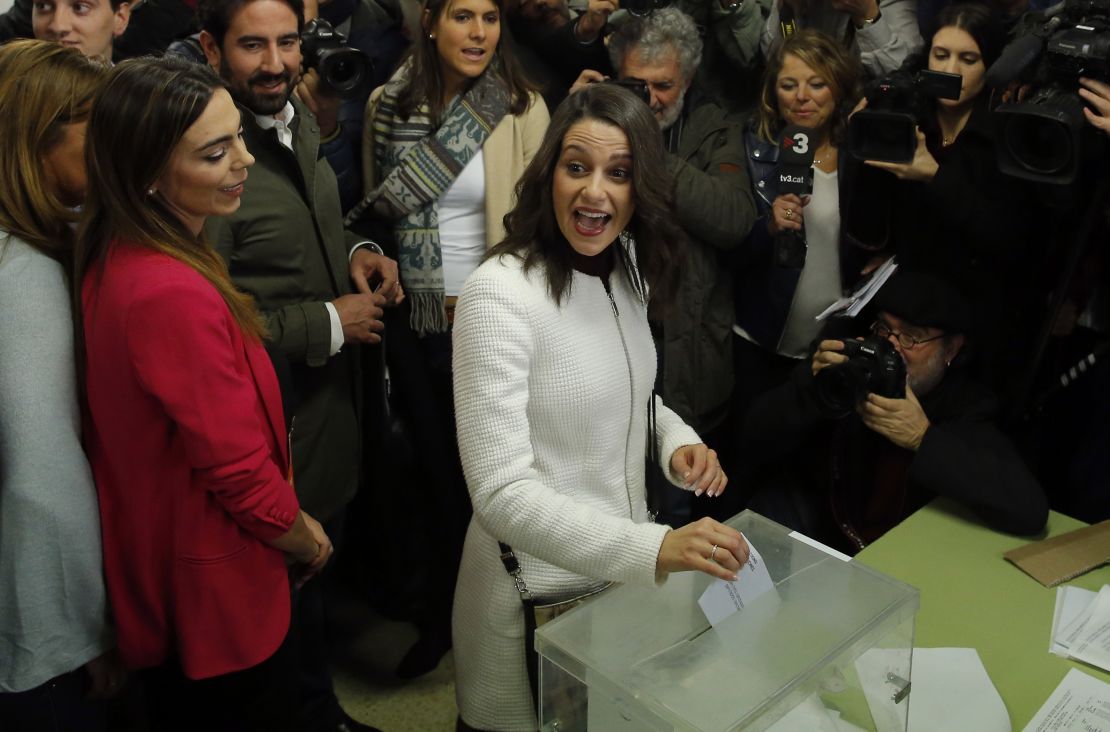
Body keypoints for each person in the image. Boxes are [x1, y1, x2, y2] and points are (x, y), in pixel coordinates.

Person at [451, 82, 750, 732]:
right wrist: (656, 547)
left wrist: (674, 442)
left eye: (619, 173)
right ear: (548, 172)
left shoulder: (627, 266)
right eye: (576, 167)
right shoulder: (498, 297)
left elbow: (634, 393)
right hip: (531, 605)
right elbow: (500, 493)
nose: (595, 194)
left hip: (611, 591)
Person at [74, 56, 332, 730]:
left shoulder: (129, 251)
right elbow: (237, 468)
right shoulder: (167, 291)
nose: (244, 160)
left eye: (239, 137)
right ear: (149, 176)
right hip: (215, 592)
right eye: (216, 154)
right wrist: (301, 536)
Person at [196, 0, 398, 728]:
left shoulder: (297, 121)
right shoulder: (207, 156)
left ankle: (320, 709)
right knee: (276, 616)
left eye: (287, 43)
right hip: (267, 440)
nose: (276, 63)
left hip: (324, 418)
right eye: (253, 45)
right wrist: (324, 323)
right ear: (210, 49)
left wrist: (354, 252)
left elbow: (312, 224)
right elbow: (201, 321)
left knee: (310, 598)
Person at [349, 0, 549, 679]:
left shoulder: (522, 106)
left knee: (498, 482)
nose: (479, 32)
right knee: (436, 485)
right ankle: (447, 619)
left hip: (494, 323)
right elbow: (376, 211)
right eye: (463, 15)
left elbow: (540, 227)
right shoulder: (386, 103)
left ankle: (512, 621)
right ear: (430, 21)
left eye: (490, 17)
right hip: (419, 326)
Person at [572, 7, 758, 523]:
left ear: (688, 79)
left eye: (663, 85)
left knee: (683, 522)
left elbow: (734, 218)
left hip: (688, 358)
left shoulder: (713, 126)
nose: (650, 99)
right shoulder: (589, 125)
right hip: (603, 350)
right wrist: (572, 126)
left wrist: (649, 152)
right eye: (636, 86)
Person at [741, 270, 1048, 554]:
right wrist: (813, 391)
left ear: (951, 350)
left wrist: (923, 439)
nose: (892, 347)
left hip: (903, 551)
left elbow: (1029, 510)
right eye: (884, 329)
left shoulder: (962, 405)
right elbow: (750, 438)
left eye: (911, 337)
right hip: (819, 524)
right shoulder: (850, 369)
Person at [0, 39, 118, 729]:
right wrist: (80, 634)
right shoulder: (23, 274)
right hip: (39, 645)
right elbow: (40, 480)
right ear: (35, 140)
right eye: (94, 131)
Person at [847, 1, 1045, 399]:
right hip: (907, 313)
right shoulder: (911, 119)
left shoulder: (1009, 134)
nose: (951, 70)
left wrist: (935, 177)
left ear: (990, 66)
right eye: (941, 55)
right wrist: (864, 141)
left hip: (975, 323)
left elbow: (1012, 240)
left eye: (967, 58)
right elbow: (868, 225)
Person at [724, 30, 869, 514]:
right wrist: (768, 227)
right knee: (746, 477)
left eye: (816, 84)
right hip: (759, 348)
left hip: (826, 349)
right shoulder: (752, 152)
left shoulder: (861, 157)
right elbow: (728, 252)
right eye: (789, 85)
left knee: (809, 486)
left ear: (838, 88)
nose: (802, 98)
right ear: (772, 91)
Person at [761, 0, 922, 78]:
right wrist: (789, 12)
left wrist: (868, 16)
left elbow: (906, 75)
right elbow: (773, 62)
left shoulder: (888, 2)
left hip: (867, 119)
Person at [31, 0, 131, 62]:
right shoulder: (16, 88)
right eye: (43, 6)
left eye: (80, 7)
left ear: (120, 18)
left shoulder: (136, 95)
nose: (57, 26)